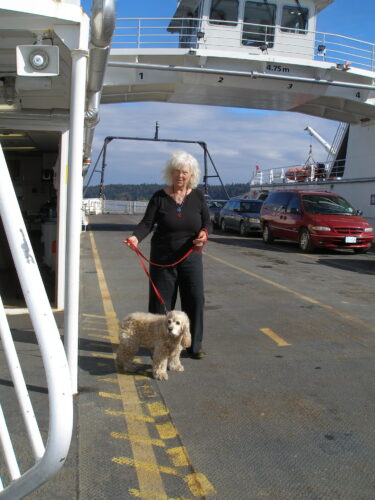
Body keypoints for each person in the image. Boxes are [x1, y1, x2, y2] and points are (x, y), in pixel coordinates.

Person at [125, 150, 210, 359]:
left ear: (191, 175)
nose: (180, 176)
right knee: (161, 304)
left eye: (185, 172)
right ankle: (159, 344)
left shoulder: (198, 196)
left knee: (195, 299)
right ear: (170, 173)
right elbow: (147, 223)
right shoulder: (160, 197)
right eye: (177, 171)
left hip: (190, 257)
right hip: (162, 259)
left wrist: (204, 234)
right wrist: (136, 237)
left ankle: (194, 345)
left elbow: (208, 222)